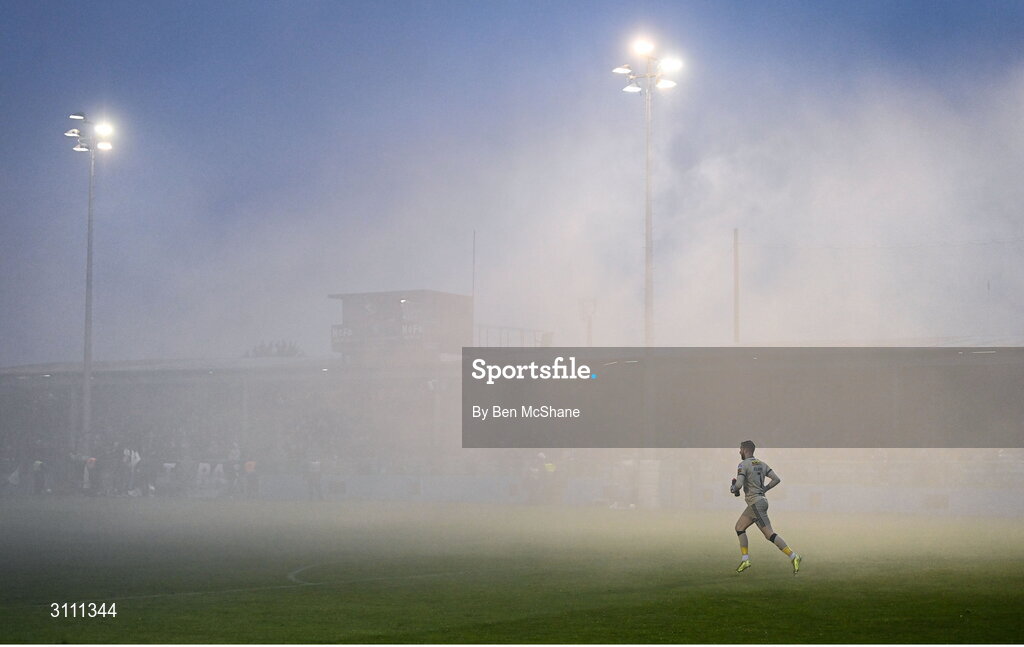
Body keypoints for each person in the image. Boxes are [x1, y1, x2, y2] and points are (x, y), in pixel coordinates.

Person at [730, 440, 801, 574]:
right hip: (760, 502)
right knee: (749, 530)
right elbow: (776, 479)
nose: (739, 451)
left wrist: (733, 488)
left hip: (755, 504)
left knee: (758, 532)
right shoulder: (761, 464)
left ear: (745, 449)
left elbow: (738, 485)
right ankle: (746, 560)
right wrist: (764, 489)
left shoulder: (743, 465)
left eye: (740, 449)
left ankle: (793, 556)